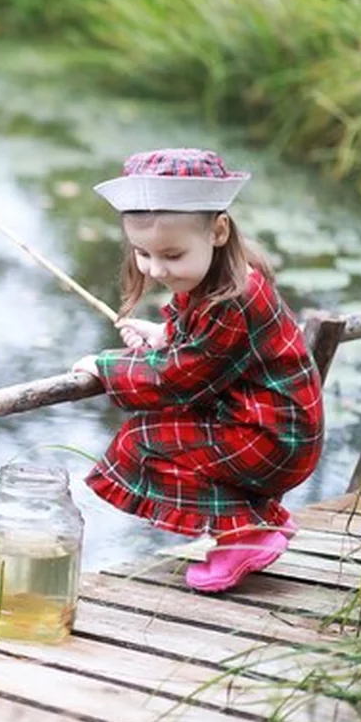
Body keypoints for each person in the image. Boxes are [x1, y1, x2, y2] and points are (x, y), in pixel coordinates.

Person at [71, 148, 323, 592]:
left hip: (273, 437)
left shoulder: (234, 299)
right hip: (267, 424)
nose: (156, 269)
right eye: (142, 254)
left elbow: (180, 378)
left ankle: (245, 534)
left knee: (142, 441)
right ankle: (246, 530)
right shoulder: (221, 280)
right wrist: (162, 334)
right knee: (157, 434)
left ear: (219, 230)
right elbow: (205, 348)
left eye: (171, 254)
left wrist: (105, 366)